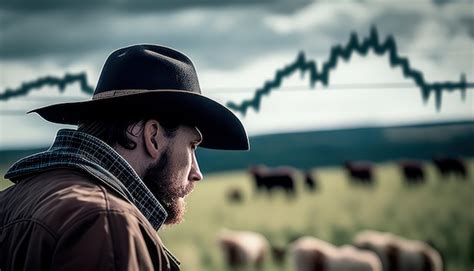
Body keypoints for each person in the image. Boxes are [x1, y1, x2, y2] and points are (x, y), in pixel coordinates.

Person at [0, 44, 249, 270]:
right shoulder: (107, 222)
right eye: (192, 146)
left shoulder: (11, 199)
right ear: (153, 137)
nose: (197, 172)